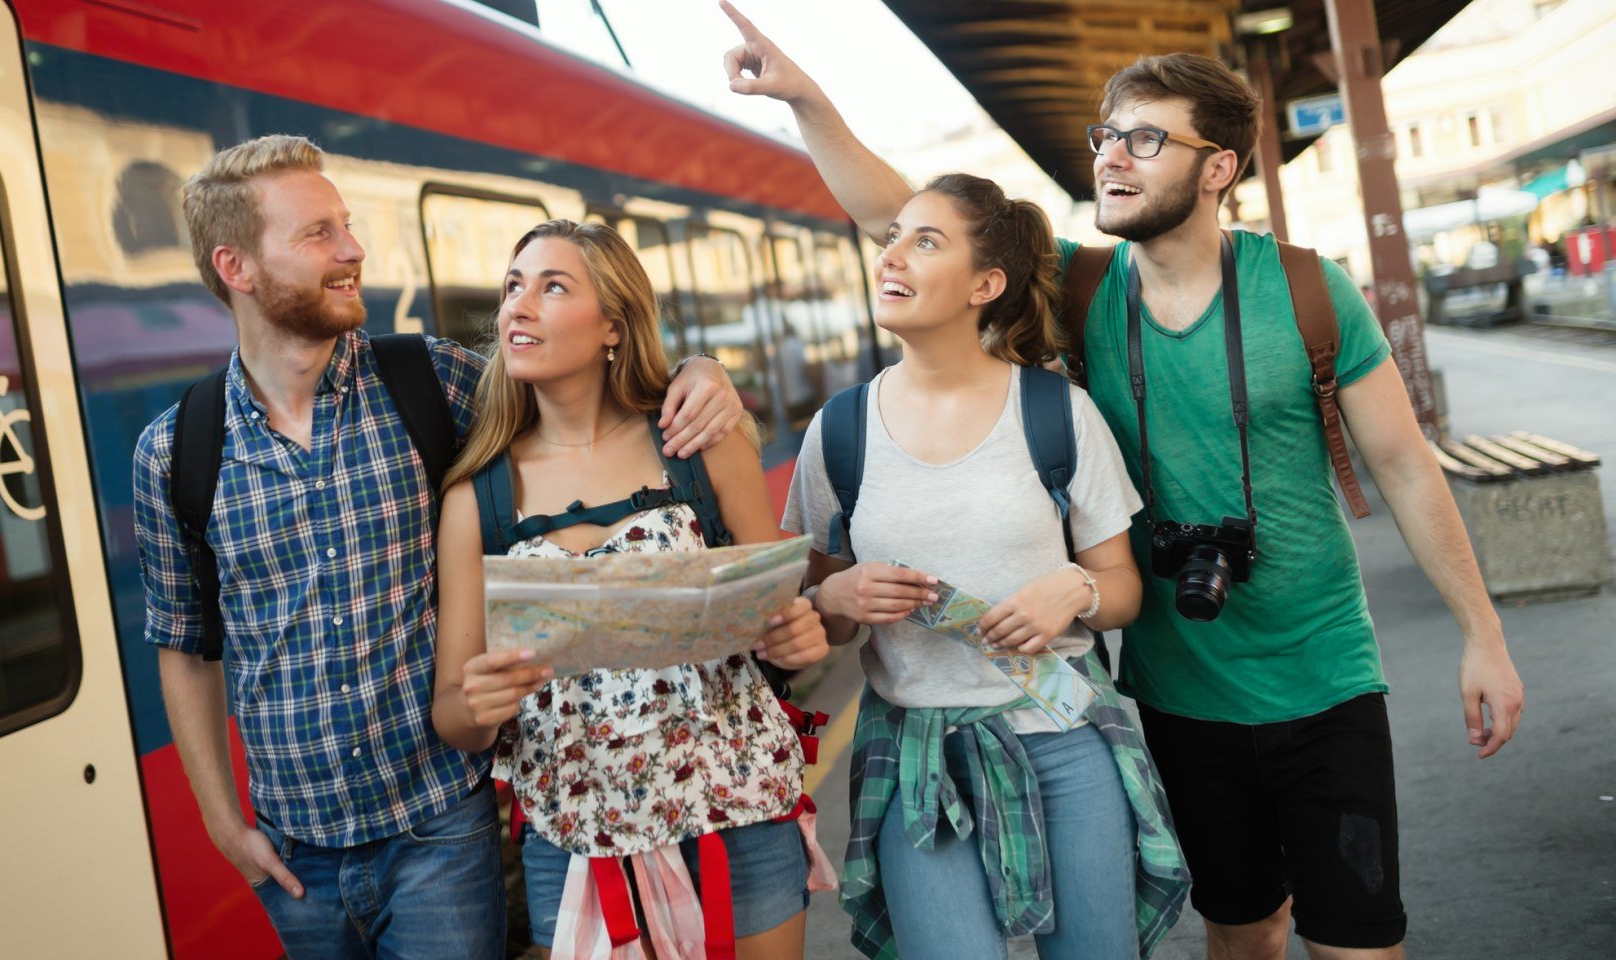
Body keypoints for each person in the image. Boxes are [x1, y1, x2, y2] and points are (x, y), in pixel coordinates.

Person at [719, 5, 1525, 959]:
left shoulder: (1312, 289)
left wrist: (1484, 634)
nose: (1112, 156)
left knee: (1358, 943)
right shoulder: (1083, 290)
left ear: (1218, 166)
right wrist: (806, 99)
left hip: (1326, 677)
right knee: (1246, 932)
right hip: (1178, 690)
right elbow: (895, 212)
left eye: (1146, 138)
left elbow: (1403, 466)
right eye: (1108, 136)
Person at [132, 136, 745, 958]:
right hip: (294, 851)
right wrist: (221, 822)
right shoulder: (177, 451)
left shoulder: (438, 384)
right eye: (318, 234)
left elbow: (588, 400)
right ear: (236, 267)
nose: (352, 250)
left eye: (346, 226)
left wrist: (700, 369)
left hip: (438, 833)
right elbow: (185, 645)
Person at [778, 168, 1190, 959]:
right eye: (891, 237)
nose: (891, 256)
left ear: (986, 283)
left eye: (924, 241)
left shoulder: (1054, 412)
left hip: (1066, 735)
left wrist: (1071, 591)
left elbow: (1124, 590)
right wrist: (839, 592)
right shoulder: (839, 433)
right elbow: (815, 619)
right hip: (915, 757)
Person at [431, 219, 830, 959]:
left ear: (613, 325)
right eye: (513, 286)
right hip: (578, 842)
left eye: (553, 287)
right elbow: (455, 715)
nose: (518, 306)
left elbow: (784, 611)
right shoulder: (475, 499)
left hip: (739, 816)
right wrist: (478, 706)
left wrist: (799, 629)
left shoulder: (700, 443)